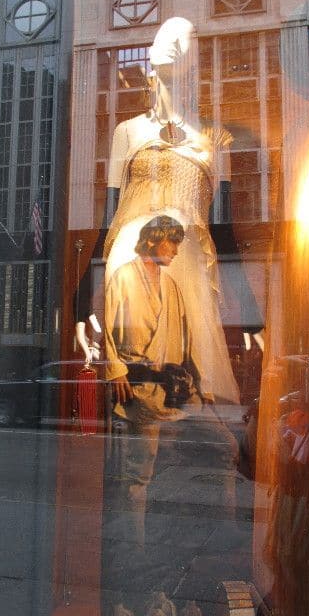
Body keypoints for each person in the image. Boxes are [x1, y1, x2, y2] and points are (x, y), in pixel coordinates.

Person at [75, 17, 263, 399]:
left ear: (196, 64)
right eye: (167, 33)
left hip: (186, 258)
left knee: (186, 385)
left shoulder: (214, 138)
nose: (175, 38)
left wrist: (250, 315)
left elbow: (223, 228)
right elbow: (109, 218)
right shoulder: (126, 132)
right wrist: (82, 301)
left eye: (187, 37)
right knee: (134, 385)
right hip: (125, 265)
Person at [105, 216, 239, 548]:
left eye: (179, 244)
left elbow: (188, 338)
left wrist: (200, 385)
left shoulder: (172, 286)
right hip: (139, 390)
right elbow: (106, 329)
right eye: (172, 243)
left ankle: (223, 526)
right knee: (139, 473)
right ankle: (136, 548)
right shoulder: (123, 277)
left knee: (225, 444)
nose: (176, 251)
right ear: (153, 240)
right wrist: (116, 370)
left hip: (177, 387)